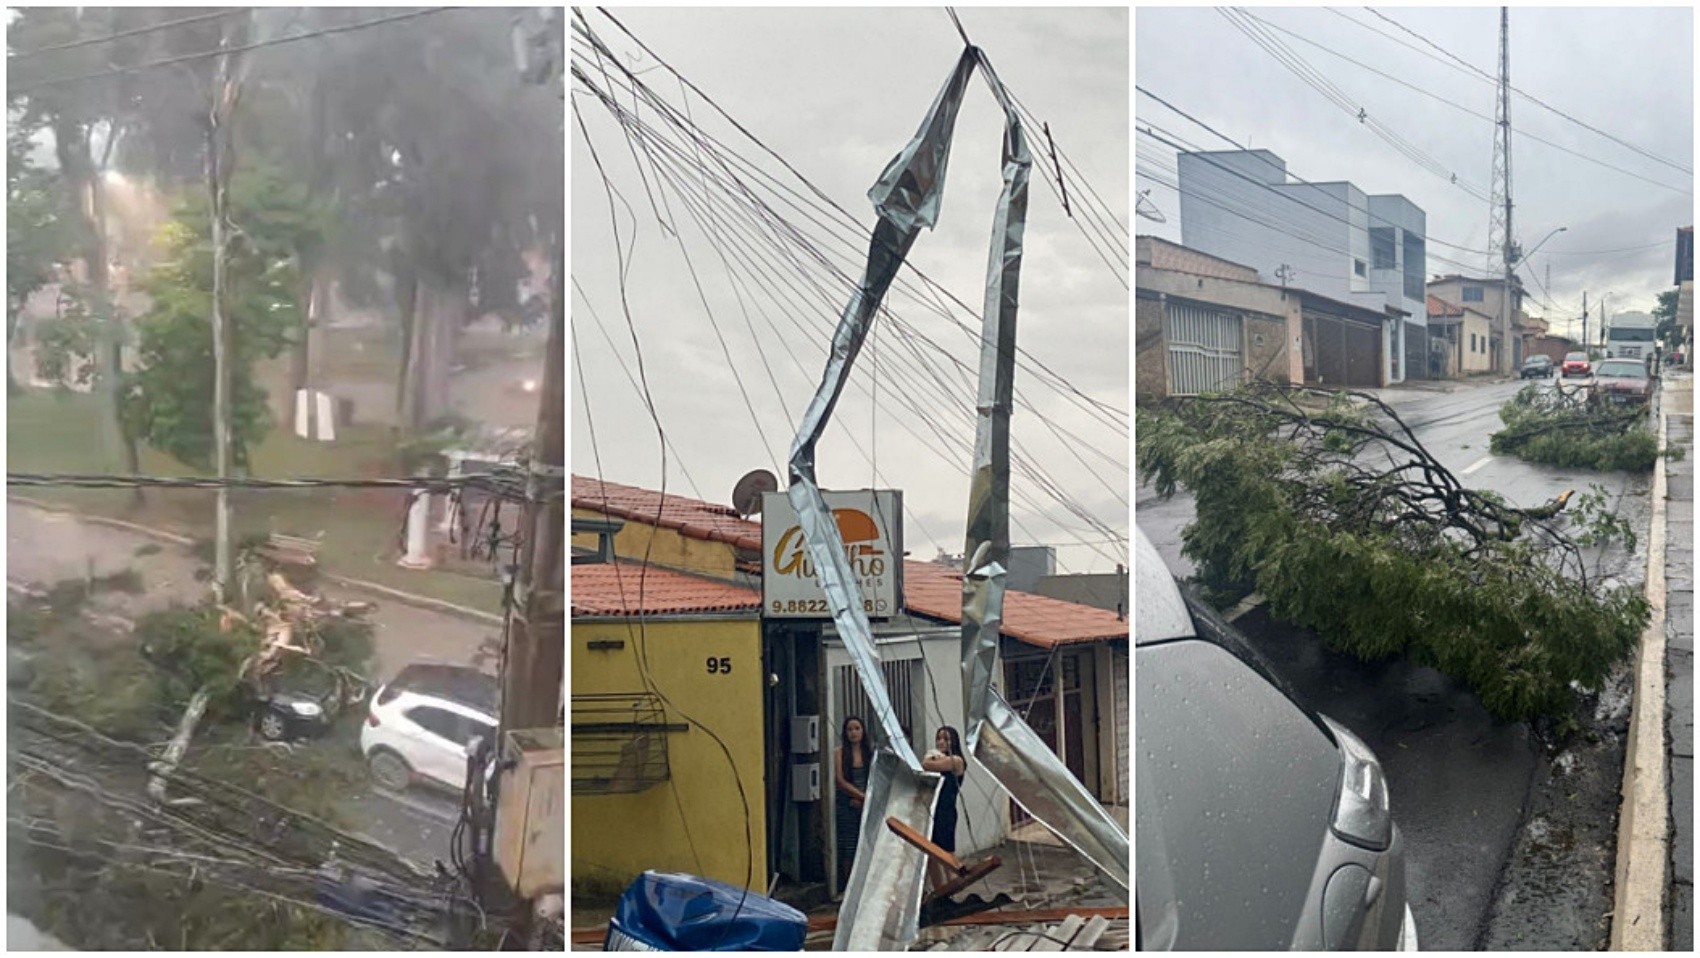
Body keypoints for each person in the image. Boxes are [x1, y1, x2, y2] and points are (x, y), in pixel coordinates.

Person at [922, 725, 967, 892]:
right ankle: (939, 890)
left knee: (947, 854)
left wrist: (931, 758)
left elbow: (927, 764)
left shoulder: (956, 761)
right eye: (939, 738)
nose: (941, 742)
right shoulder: (940, 758)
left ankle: (954, 888)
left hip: (946, 811)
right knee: (932, 855)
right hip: (933, 810)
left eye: (946, 739)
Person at [834, 715, 870, 890]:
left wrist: (867, 800)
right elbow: (840, 781)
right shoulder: (839, 753)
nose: (854, 733)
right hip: (847, 805)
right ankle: (850, 887)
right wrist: (860, 797)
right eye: (850, 729)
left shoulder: (870, 754)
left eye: (857, 729)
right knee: (849, 845)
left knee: (867, 845)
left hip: (868, 805)